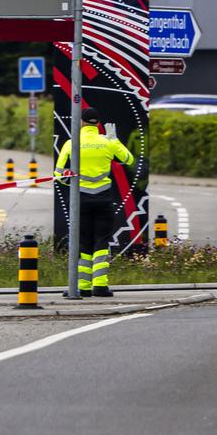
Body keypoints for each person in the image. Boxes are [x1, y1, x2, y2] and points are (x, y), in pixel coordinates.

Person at [55, 106, 135, 297]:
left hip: (80, 200)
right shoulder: (107, 142)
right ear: (98, 124)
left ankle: (82, 287)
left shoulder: (71, 143)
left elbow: (59, 176)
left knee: (82, 242)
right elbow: (129, 159)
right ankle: (100, 285)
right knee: (101, 241)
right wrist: (115, 141)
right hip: (104, 199)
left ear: (81, 122)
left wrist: (69, 176)